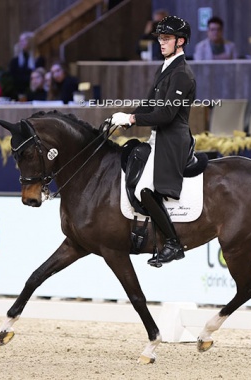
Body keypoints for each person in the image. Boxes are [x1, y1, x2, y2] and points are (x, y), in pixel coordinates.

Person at [109, 16, 195, 266]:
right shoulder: (165, 67)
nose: (161, 42)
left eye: (166, 38)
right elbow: (150, 104)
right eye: (160, 38)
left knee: (143, 188)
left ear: (181, 42)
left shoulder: (182, 74)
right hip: (159, 136)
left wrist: (134, 119)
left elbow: (167, 113)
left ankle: (172, 243)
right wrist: (124, 117)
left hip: (173, 139)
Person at [8, 31, 45, 100]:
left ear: (30, 42)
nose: (20, 43)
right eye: (20, 41)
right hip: (18, 92)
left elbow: (39, 77)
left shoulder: (39, 60)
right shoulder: (15, 61)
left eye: (23, 40)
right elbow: (13, 77)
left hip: (34, 92)